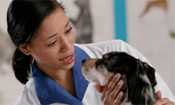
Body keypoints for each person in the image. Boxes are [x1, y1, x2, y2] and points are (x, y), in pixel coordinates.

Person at [6, 0, 175, 105]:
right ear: (26, 48)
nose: (67, 46)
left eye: (68, 30)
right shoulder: (30, 102)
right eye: (52, 42)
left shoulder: (120, 53)